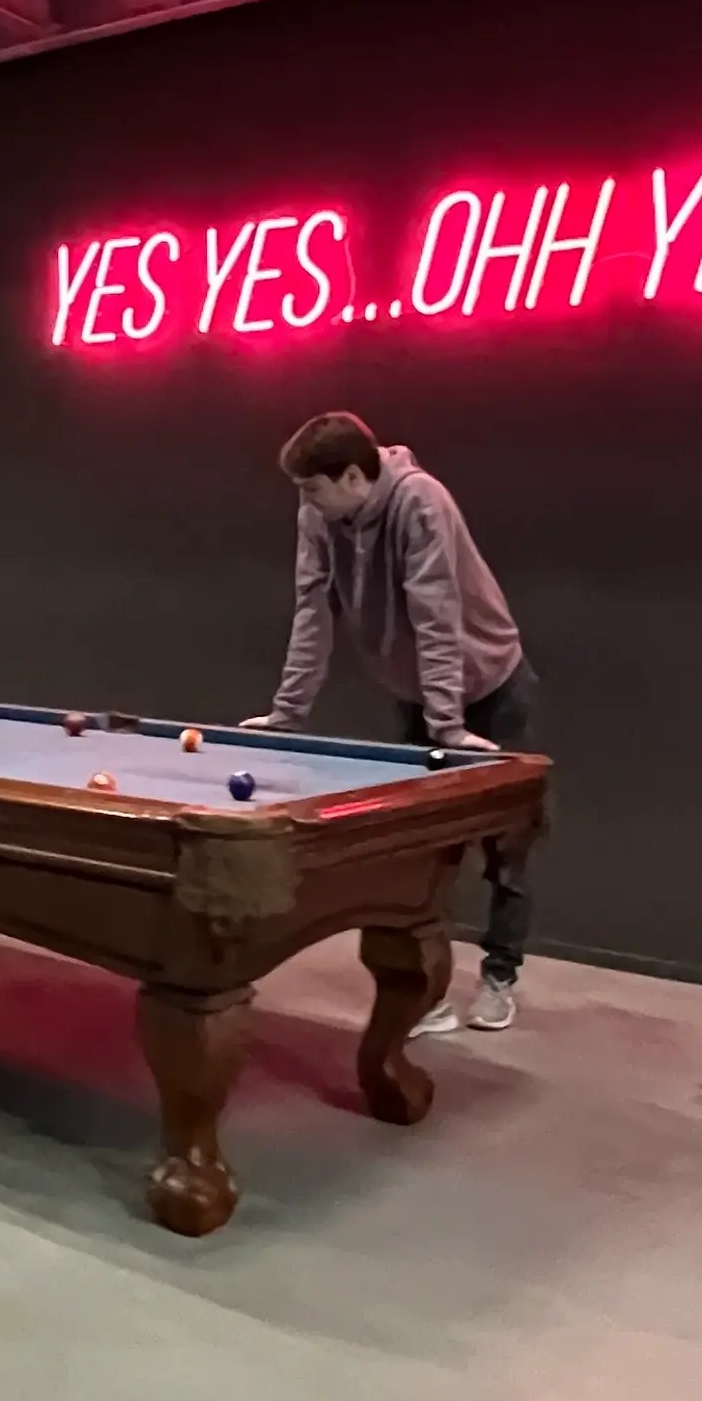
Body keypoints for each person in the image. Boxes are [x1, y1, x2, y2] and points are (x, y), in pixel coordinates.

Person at [244, 412, 538, 1034]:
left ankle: (499, 978)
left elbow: (438, 619)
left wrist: (450, 726)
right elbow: (311, 613)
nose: (306, 503)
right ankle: (425, 992)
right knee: (417, 847)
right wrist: (287, 715)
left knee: (505, 849)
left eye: (314, 488)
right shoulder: (318, 515)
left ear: (354, 474)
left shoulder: (420, 503)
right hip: (424, 695)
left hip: (488, 684)